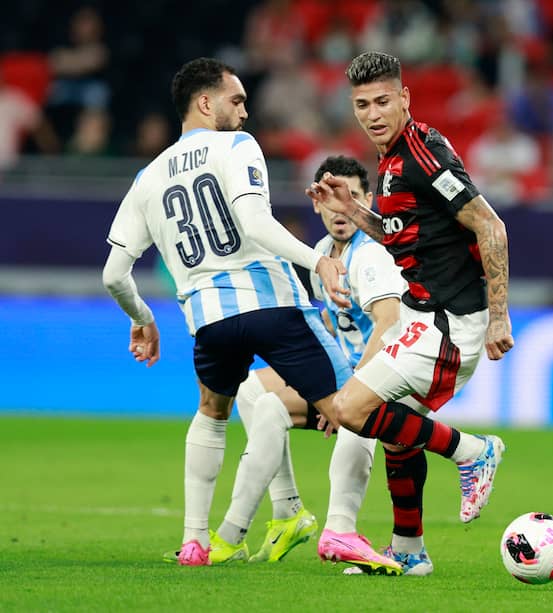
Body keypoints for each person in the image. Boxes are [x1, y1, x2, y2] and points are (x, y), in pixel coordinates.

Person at [102, 57, 352, 566]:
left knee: (213, 414)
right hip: (272, 304)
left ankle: (197, 540)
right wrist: (318, 260)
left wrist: (142, 317)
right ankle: (438, 473)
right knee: (354, 409)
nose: (244, 111)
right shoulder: (237, 145)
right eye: (236, 100)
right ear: (205, 102)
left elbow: (112, 275)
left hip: (209, 321)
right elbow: (256, 222)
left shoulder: (147, 176)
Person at [306, 51, 513, 543]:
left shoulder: (422, 153)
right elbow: (406, 236)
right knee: (399, 432)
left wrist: (499, 317)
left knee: (351, 410)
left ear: (404, 98)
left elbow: (490, 225)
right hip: (423, 316)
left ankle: (472, 452)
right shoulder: (392, 159)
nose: (372, 114)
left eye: (382, 101)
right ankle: (409, 550)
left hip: (450, 325)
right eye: (362, 104)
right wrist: (355, 212)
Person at [233, 154, 410, 575]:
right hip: (347, 374)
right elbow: (330, 322)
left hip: (392, 374)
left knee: (356, 414)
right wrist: (322, 386)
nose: (339, 209)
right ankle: (289, 511)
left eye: (350, 198)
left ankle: (340, 529)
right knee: (255, 393)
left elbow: (390, 321)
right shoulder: (319, 255)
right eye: (330, 199)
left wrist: (346, 390)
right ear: (317, 204)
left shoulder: (371, 255)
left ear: (367, 202)